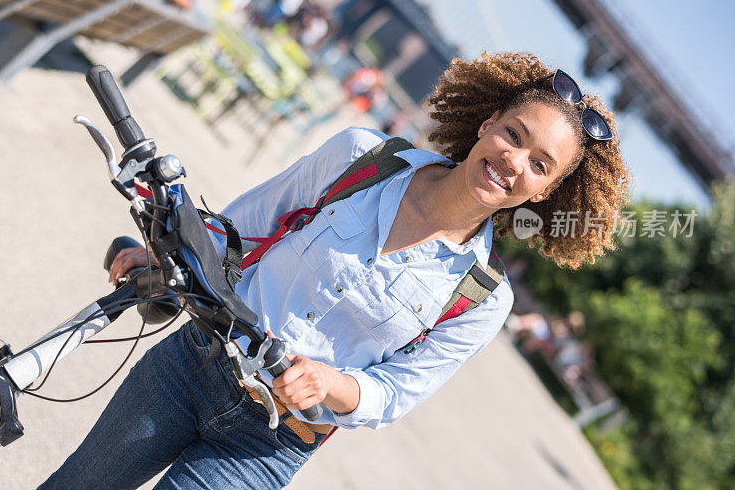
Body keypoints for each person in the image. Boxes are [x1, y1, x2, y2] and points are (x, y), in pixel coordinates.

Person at [39, 52, 629, 489]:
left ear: (546, 192)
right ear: (487, 123)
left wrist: (328, 382)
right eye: (513, 134)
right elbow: (239, 230)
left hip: (270, 443)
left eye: (538, 163)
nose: (513, 159)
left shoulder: (482, 298)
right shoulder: (361, 158)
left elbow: (394, 393)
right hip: (193, 362)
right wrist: (167, 250)